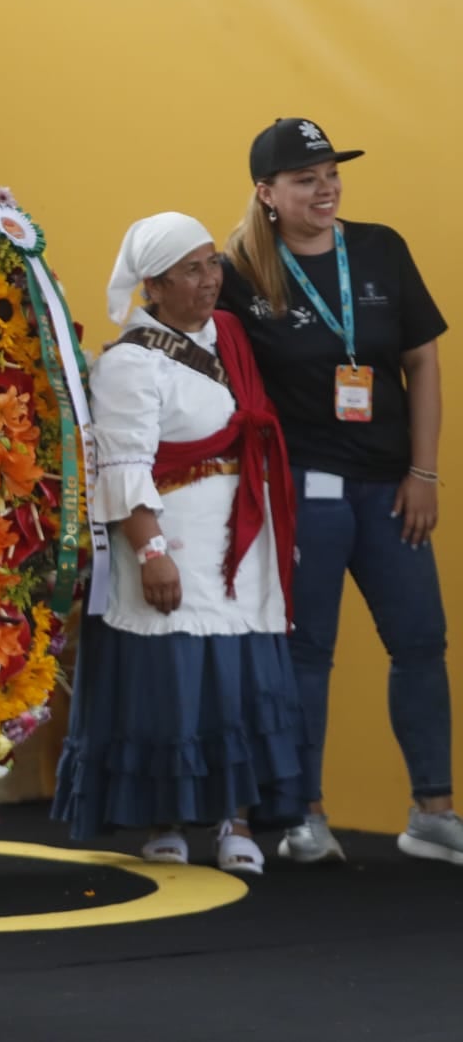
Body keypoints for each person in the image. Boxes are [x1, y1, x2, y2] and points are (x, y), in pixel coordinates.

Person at [220, 117, 460, 865]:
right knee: (307, 651)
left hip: (391, 488)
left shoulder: (381, 247)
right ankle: (305, 816)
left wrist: (424, 472)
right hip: (304, 487)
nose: (325, 189)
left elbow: (422, 363)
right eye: (305, 179)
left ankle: (433, 814)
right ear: (267, 192)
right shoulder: (237, 272)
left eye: (331, 174)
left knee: (421, 643)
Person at [53, 212, 309, 873]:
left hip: (241, 542)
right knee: (171, 685)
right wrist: (152, 553)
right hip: (172, 546)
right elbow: (122, 468)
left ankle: (236, 822)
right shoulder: (129, 363)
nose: (209, 279)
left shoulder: (230, 336)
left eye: (211, 263)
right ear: (154, 286)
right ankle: (165, 820)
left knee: (238, 682)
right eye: (190, 270)